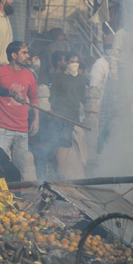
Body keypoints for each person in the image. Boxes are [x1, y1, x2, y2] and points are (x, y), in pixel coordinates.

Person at [0, 41, 39, 180]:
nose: (28, 55)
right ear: (14, 55)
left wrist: (36, 120)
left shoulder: (29, 75)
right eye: (24, 53)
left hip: (22, 130)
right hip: (3, 128)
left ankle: (17, 200)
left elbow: (34, 98)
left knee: (19, 172)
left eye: (27, 52)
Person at [51, 52, 88, 180]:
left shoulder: (80, 79)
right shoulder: (58, 78)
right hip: (60, 119)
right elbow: (52, 97)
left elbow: (84, 98)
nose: (75, 64)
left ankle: (76, 177)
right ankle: (61, 177)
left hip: (75, 118)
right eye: (72, 61)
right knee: (62, 149)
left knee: (76, 150)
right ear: (66, 62)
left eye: (76, 62)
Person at [29, 85, 62, 182]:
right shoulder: (31, 114)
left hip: (49, 145)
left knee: (51, 160)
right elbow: (29, 136)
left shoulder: (52, 115)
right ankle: (42, 183)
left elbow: (56, 134)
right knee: (40, 159)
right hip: (36, 145)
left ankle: (52, 183)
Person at [87, 46, 110, 161]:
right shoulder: (100, 64)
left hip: (112, 107)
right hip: (101, 107)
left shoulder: (117, 65)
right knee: (101, 134)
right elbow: (94, 87)